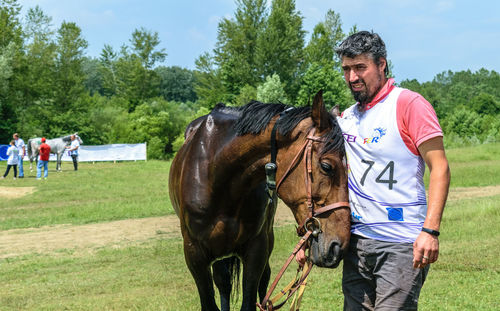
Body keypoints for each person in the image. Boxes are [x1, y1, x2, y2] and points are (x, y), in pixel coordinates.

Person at [297, 31, 451, 310]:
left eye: (360, 67)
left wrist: (431, 230)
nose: (352, 77)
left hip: (401, 244)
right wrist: (311, 235)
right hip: (356, 244)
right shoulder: (347, 119)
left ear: (381, 65)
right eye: (346, 69)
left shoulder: (409, 105)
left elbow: (440, 168)